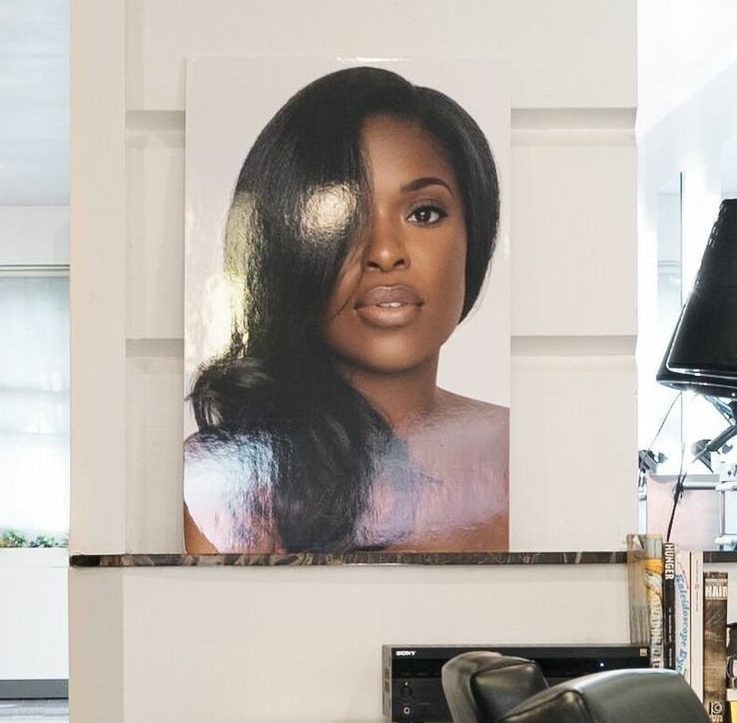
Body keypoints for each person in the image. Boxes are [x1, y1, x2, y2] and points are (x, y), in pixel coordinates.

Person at [184, 67, 509, 554]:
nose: (385, 252)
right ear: (288, 245)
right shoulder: (225, 479)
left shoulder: (522, 450)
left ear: (473, 238)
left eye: (424, 213)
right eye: (343, 216)